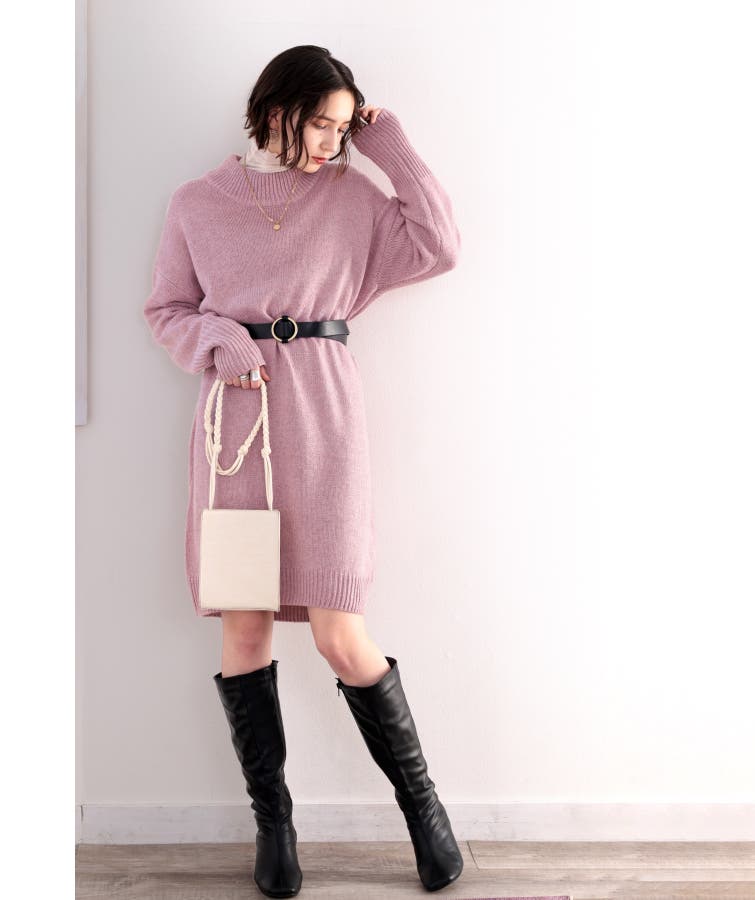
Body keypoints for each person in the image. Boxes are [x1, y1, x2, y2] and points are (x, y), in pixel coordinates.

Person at [143, 45, 463, 897]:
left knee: (338, 632)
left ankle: (424, 812)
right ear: (275, 110)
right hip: (236, 433)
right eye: (321, 123)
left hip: (324, 421)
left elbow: (439, 244)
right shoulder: (196, 203)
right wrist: (217, 337)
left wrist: (386, 141)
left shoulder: (354, 197)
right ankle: (274, 829)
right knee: (245, 628)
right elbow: (166, 309)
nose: (331, 142)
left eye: (342, 127)